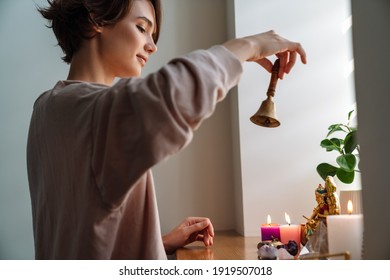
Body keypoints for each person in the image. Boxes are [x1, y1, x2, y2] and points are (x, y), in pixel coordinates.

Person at [27, 0, 306, 260]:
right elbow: (173, 93)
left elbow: (84, 236)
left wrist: (158, 243)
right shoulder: (95, 113)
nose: (152, 46)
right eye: (141, 28)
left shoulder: (46, 109)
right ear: (95, 19)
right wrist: (251, 45)